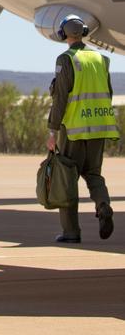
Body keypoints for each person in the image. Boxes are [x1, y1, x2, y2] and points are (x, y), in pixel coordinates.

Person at [47, 13, 118, 244]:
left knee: (68, 180)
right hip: (99, 128)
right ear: (85, 32)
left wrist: (52, 130)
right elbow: (108, 93)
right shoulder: (101, 59)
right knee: (94, 174)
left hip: (74, 130)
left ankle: (71, 232)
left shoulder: (66, 59)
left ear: (63, 34)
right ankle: (103, 205)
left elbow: (61, 98)